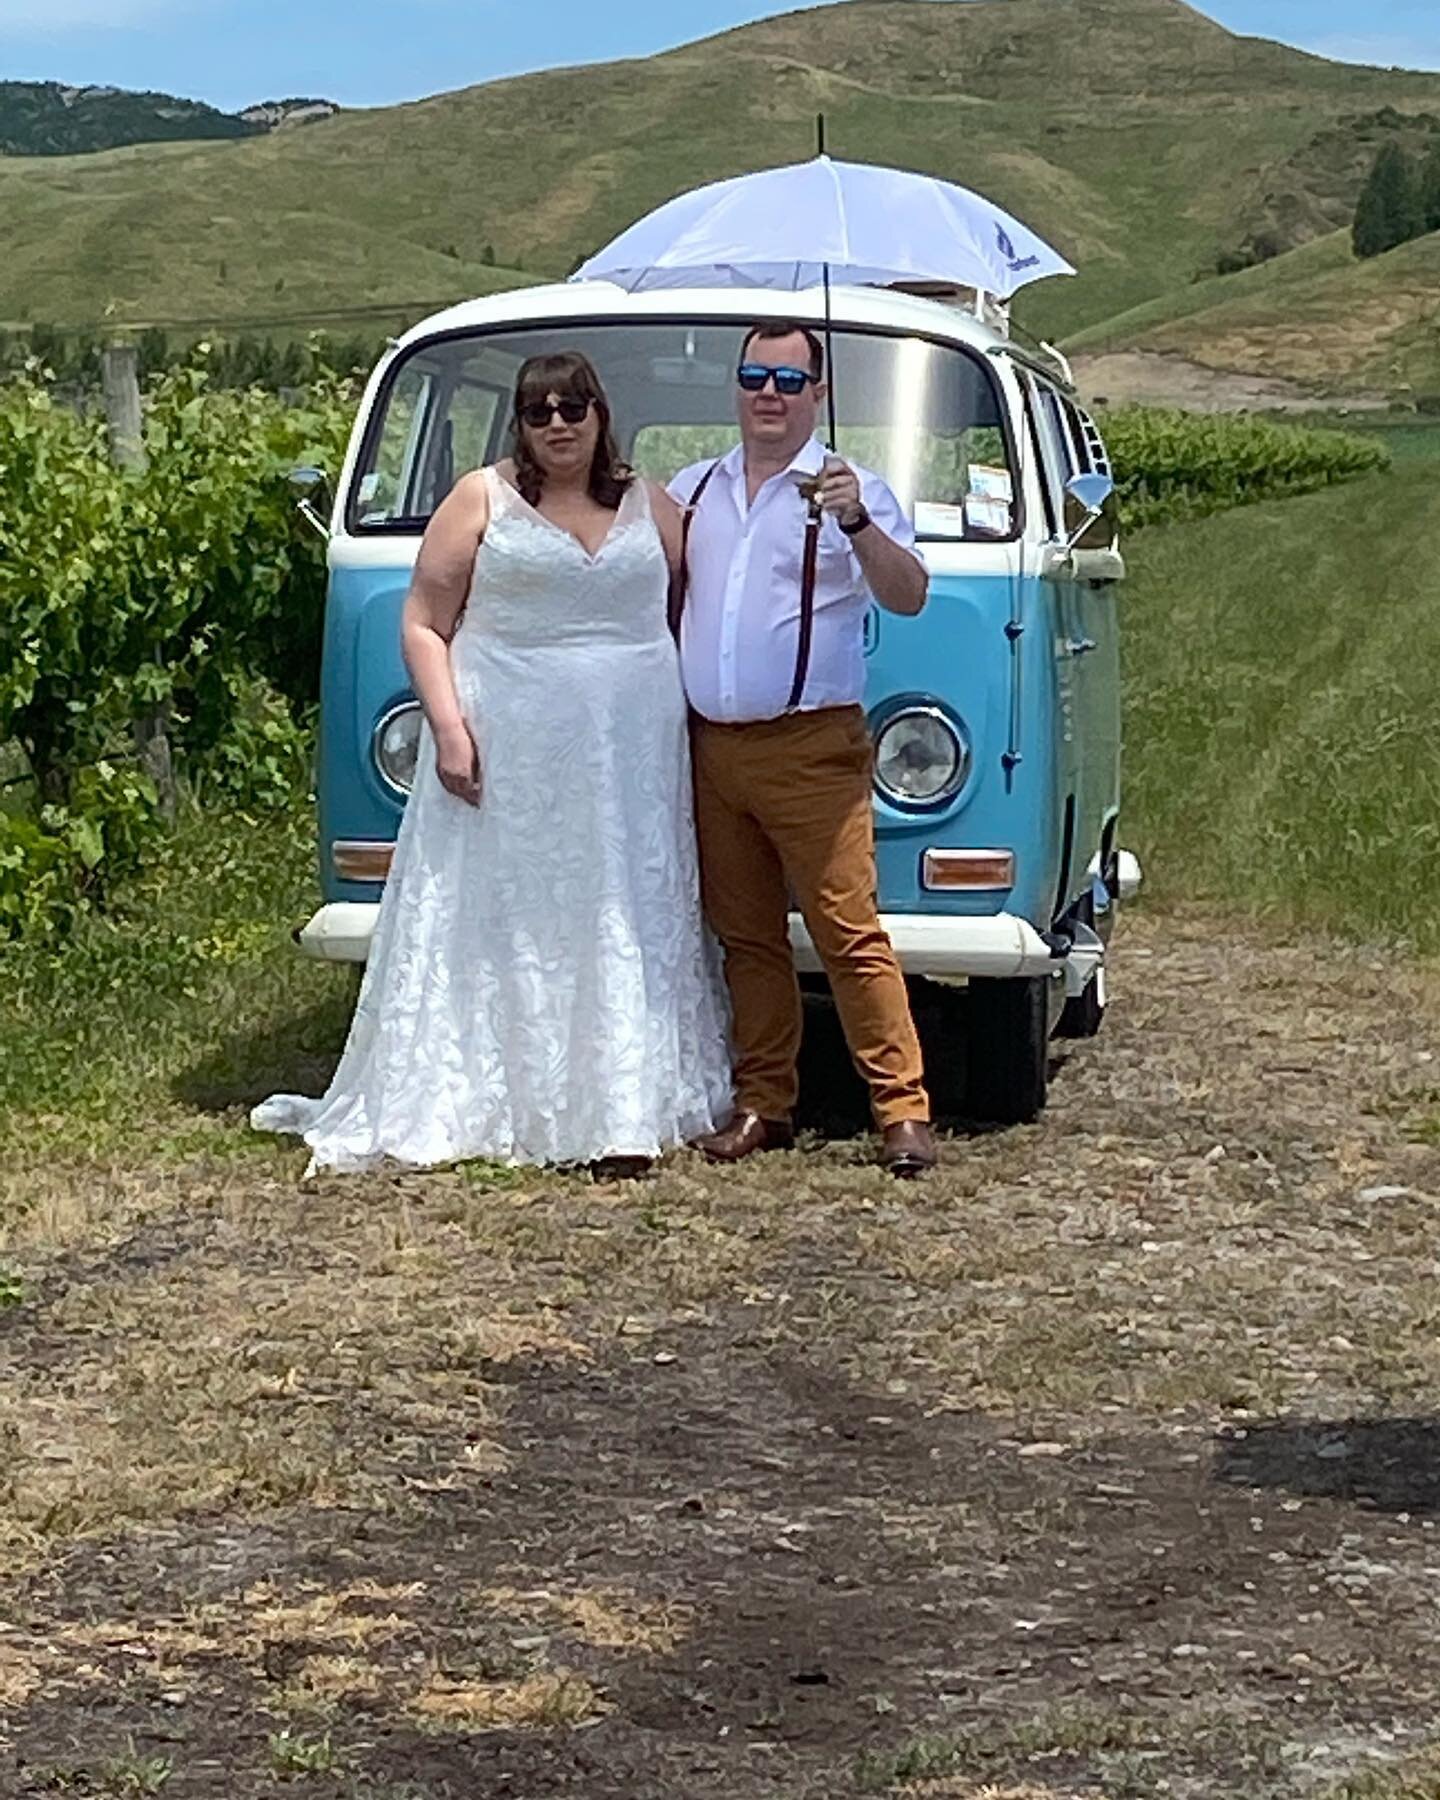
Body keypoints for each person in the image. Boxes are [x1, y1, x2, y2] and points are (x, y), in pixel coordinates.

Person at [253, 351, 733, 1175]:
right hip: (512, 747)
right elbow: (423, 621)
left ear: (599, 412)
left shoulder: (650, 502)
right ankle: (516, 1093)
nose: (558, 424)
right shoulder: (480, 498)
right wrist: (447, 726)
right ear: (520, 420)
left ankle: (625, 1102)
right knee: (521, 911)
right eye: (540, 410)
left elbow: (687, 597)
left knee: (620, 906)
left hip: (630, 755)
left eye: (574, 407)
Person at [669, 320, 937, 1178]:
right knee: (745, 938)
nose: (768, 395)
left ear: (818, 395)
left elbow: (909, 596)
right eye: (754, 376)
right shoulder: (697, 489)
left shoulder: (845, 491)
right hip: (712, 749)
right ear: (735, 386)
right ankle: (764, 1103)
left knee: (847, 931)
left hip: (811, 747)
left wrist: (856, 520)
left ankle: (901, 1110)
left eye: (788, 381)